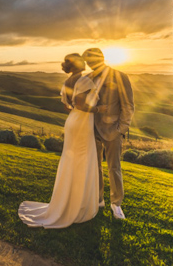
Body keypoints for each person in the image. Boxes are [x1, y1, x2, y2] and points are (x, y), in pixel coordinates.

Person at [18, 54, 107, 228]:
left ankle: (69, 201)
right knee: (82, 161)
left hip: (73, 122)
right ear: (77, 64)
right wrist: (99, 109)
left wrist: (78, 113)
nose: (84, 62)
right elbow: (81, 104)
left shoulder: (67, 83)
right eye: (81, 60)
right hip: (81, 124)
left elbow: (68, 106)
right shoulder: (84, 81)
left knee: (72, 161)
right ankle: (79, 206)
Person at [82, 48, 135, 220]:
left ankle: (116, 203)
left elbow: (128, 105)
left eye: (92, 61)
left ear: (102, 58)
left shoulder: (120, 76)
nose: (90, 65)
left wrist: (121, 129)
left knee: (114, 168)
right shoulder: (88, 79)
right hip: (92, 129)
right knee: (94, 166)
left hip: (113, 130)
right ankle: (98, 200)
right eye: (88, 62)